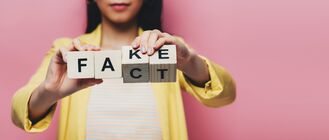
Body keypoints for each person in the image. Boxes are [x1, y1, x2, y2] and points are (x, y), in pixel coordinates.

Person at [11, 0, 236, 139]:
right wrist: (49, 92)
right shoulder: (67, 51)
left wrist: (189, 62)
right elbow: (19, 113)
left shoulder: (168, 48)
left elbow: (225, 95)